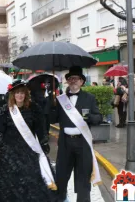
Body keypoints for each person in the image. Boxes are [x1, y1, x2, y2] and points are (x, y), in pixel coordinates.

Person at [0, 80, 56, 202]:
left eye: (22, 93)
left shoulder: (34, 108)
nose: (20, 96)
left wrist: (43, 142)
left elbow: (40, 128)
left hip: (28, 149)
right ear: (13, 94)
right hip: (10, 150)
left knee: (29, 179)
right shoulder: (5, 109)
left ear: (26, 94)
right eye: (17, 93)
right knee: (10, 180)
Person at [52, 66, 102, 202]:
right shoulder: (60, 99)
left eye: (76, 78)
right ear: (67, 81)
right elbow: (52, 119)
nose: (73, 81)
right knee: (61, 176)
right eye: (70, 79)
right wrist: (50, 104)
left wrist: (89, 117)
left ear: (82, 81)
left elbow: (98, 118)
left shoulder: (89, 98)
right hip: (65, 143)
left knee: (83, 178)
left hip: (82, 143)